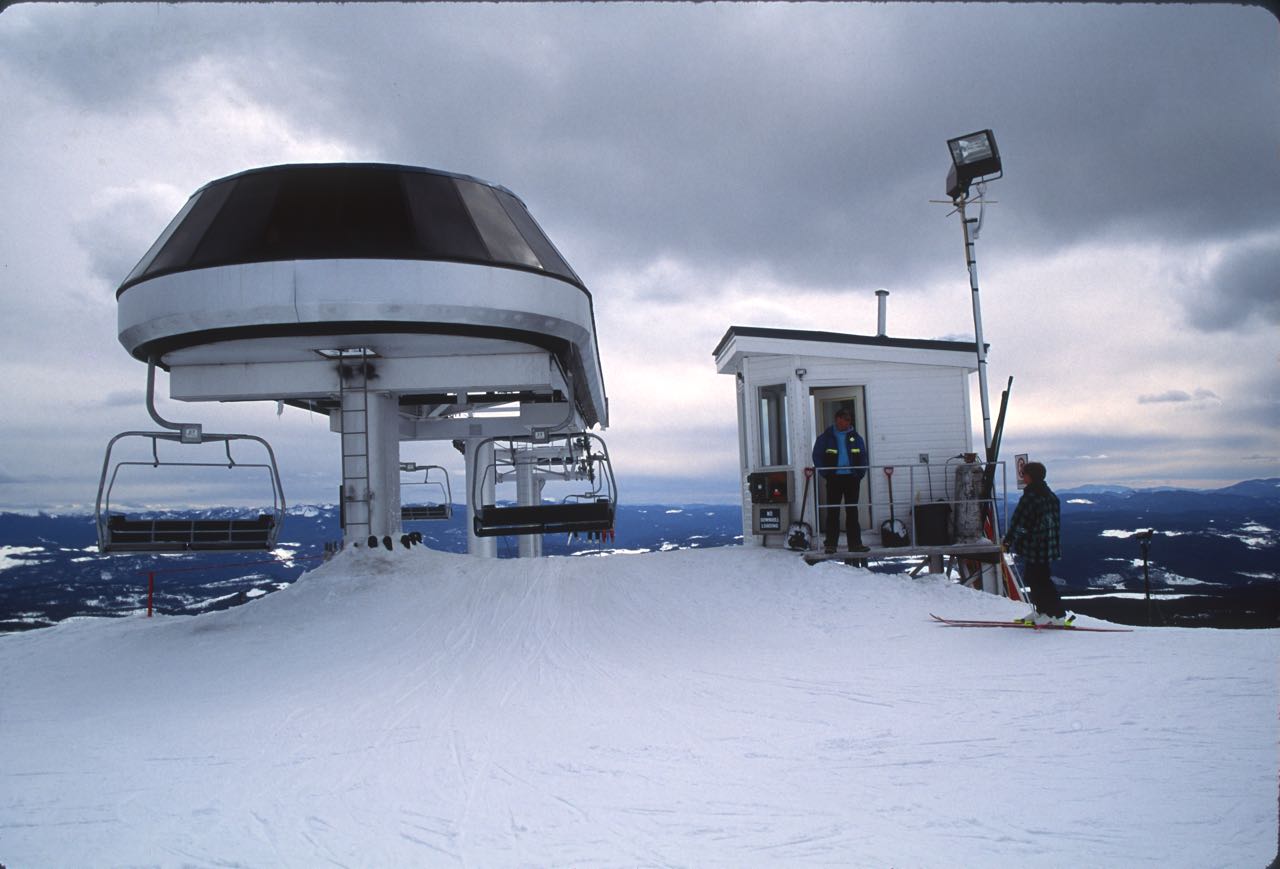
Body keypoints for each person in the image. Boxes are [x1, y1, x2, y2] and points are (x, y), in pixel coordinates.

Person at [1002, 461, 1072, 626]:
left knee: (1037, 579)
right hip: (1048, 545)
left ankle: (1052, 614)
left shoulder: (1030, 497)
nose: (1022, 476)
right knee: (1040, 577)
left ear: (1030, 476)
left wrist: (1010, 540)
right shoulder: (1051, 496)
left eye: (1024, 473)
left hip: (1035, 545)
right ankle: (1045, 611)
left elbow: (1020, 523)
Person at [811, 408, 870, 554]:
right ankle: (831, 545)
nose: (848, 422)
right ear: (837, 419)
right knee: (833, 511)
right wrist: (826, 473)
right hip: (834, 479)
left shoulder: (856, 437)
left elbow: (863, 456)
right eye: (845, 419)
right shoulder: (826, 437)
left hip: (852, 478)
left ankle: (855, 544)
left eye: (849, 419)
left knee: (852, 511)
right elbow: (817, 456)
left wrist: (859, 473)